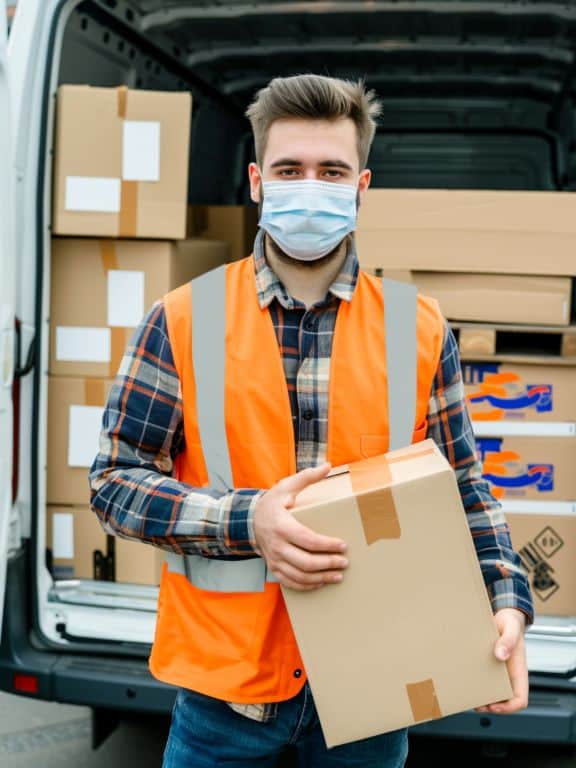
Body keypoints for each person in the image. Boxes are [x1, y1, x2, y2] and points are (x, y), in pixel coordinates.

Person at [90, 74, 534, 768]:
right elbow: (114, 483)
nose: (310, 186)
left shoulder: (418, 327)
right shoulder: (181, 318)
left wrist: (506, 602)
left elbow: (466, 488)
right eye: (289, 169)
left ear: (360, 185)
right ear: (256, 181)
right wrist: (249, 522)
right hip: (224, 703)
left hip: (376, 688)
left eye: (330, 171)